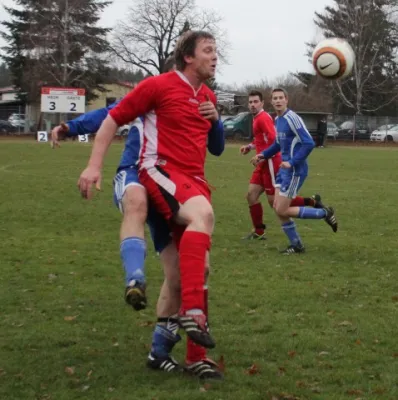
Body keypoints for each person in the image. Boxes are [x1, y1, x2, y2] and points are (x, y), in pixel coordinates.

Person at [52, 56, 224, 379]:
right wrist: (70, 128)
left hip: (170, 182)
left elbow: (215, 144)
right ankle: (135, 277)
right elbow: (106, 116)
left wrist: (215, 121)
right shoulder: (154, 92)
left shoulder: (191, 99)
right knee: (136, 201)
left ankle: (160, 352)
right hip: (135, 172)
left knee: (179, 274)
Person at [251, 88, 338, 254]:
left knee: (282, 209)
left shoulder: (292, 118)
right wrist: (263, 154)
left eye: (280, 98)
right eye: (275, 98)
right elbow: (278, 144)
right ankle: (296, 245)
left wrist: (292, 162)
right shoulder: (278, 119)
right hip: (283, 170)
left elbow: (309, 143)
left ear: (286, 100)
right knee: (277, 207)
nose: (278, 101)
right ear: (271, 101)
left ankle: (323, 213)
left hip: (295, 171)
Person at [240, 90, 324, 240]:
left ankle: (316, 207)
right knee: (252, 196)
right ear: (271, 101)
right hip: (265, 162)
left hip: (275, 164)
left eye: (255, 102)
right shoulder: (273, 119)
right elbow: (271, 141)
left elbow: (276, 140)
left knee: (277, 204)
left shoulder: (266, 118)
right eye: (250, 102)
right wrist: (256, 150)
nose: (252, 105)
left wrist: (288, 161)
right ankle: (260, 232)